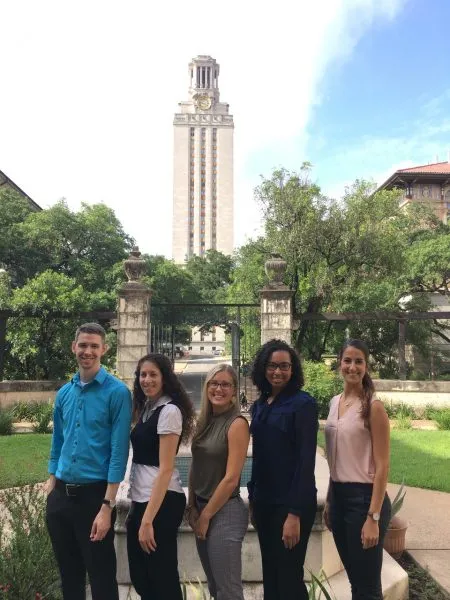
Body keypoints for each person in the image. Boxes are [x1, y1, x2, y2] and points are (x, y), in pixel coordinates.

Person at [45, 322, 132, 600]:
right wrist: (51, 483)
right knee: (69, 576)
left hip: (94, 499)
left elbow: (119, 451)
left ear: (104, 349)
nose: (88, 351)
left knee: (101, 576)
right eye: (83, 345)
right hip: (60, 497)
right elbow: (58, 441)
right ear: (74, 347)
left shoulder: (117, 393)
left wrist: (107, 505)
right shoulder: (64, 393)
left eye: (94, 346)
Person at [248, 338, 318, 600]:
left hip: (290, 506)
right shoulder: (260, 405)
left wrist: (295, 514)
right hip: (265, 503)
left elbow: (305, 461)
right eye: (272, 366)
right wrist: (253, 499)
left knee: (289, 579)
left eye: (284, 366)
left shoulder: (303, 404)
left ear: (293, 370)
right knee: (272, 578)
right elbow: (259, 458)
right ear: (263, 369)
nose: (278, 372)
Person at [324, 339, 391, 600]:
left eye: (358, 361)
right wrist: (330, 500)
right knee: (356, 580)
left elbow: (383, 464)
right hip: (339, 499)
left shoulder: (373, 406)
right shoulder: (334, 402)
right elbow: (334, 459)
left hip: (365, 501)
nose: (352, 367)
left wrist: (373, 518)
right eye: (347, 360)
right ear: (339, 363)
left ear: (366, 366)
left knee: (367, 588)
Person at [127, 353, 195, 600]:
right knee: (142, 577)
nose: (146, 380)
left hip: (162, 502)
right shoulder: (147, 408)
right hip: (142, 499)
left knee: (162, 577)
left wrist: (147, 521)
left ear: (165, 378)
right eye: (142, 375)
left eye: (153, 374)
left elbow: (166, 468)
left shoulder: (169, 411)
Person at [188, 364, 250, 600]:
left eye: (225, 384)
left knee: (228, 590)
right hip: (201, 507)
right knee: (215, 587)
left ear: (234, 391)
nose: (219, 389)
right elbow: (196, 465)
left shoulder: (237, 424)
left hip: (225, 512)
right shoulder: (204, 422)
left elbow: (231, 478)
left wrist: (206, 516)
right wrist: (192, 505)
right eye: (214, 383)